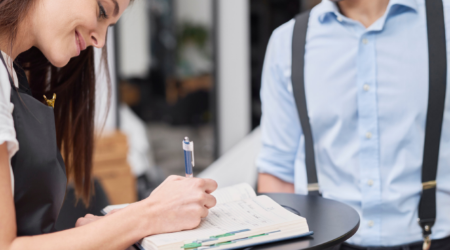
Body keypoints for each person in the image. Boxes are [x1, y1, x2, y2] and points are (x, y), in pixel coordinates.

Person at [0, 0, 217, 249]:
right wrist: (149, 215)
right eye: (102, 11)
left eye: (109, 26)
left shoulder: (13, 75)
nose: (100, 42)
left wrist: (108, 231)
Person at [257, 0, 450, 249]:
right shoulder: (287, 41)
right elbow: (277, 172)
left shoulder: (444, 22)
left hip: (437, 239)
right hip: (325, 242)